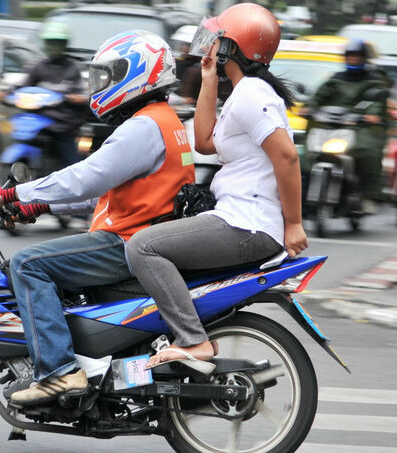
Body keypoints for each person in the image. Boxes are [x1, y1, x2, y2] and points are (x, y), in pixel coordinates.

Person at [0, 30, 195, 405]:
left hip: (126, 243)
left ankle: (60, 372)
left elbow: (85, 178)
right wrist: (41, 206)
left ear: (139, 74)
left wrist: (16, 194)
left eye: (109, 74)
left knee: (28, 264)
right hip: (140, 234)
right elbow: (108, 193)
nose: (100, 84)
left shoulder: (143, 126)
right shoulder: (163, 119)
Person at [125, 3, 308, 369]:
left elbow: (286, 157)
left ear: (232, 48)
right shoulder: (242, 93)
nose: (210, 46)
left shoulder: (253, 93)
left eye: (218, 41)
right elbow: (206, 142)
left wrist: (293, 223)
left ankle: (193, 340)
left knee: (142, 248)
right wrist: (209, 78)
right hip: (238, 217)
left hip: (247, 223)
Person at [301, 38, 389, 213]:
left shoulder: (373, 81)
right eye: (350, 57)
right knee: (306, 151)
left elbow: (377, 101)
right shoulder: (336, 79)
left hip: (358, 126)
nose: (353, 60)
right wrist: (310, 107)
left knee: (367, 150)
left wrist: (372, 115)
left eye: (357, 57)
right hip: (332, 124)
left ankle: (368, 195)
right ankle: (302, 195)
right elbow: (319, 96)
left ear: (364, 58)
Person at [5, 21, 88, 168]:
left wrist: (71, 98)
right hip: (36, 121)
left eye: (57, 43)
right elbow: (23, 85)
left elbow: (82, 93)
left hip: (61, 125)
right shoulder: (38, 66)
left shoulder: (73, 68)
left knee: (72, 165)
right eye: (50, 43)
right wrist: (6, 94)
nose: (53, 47)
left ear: (65, 45)